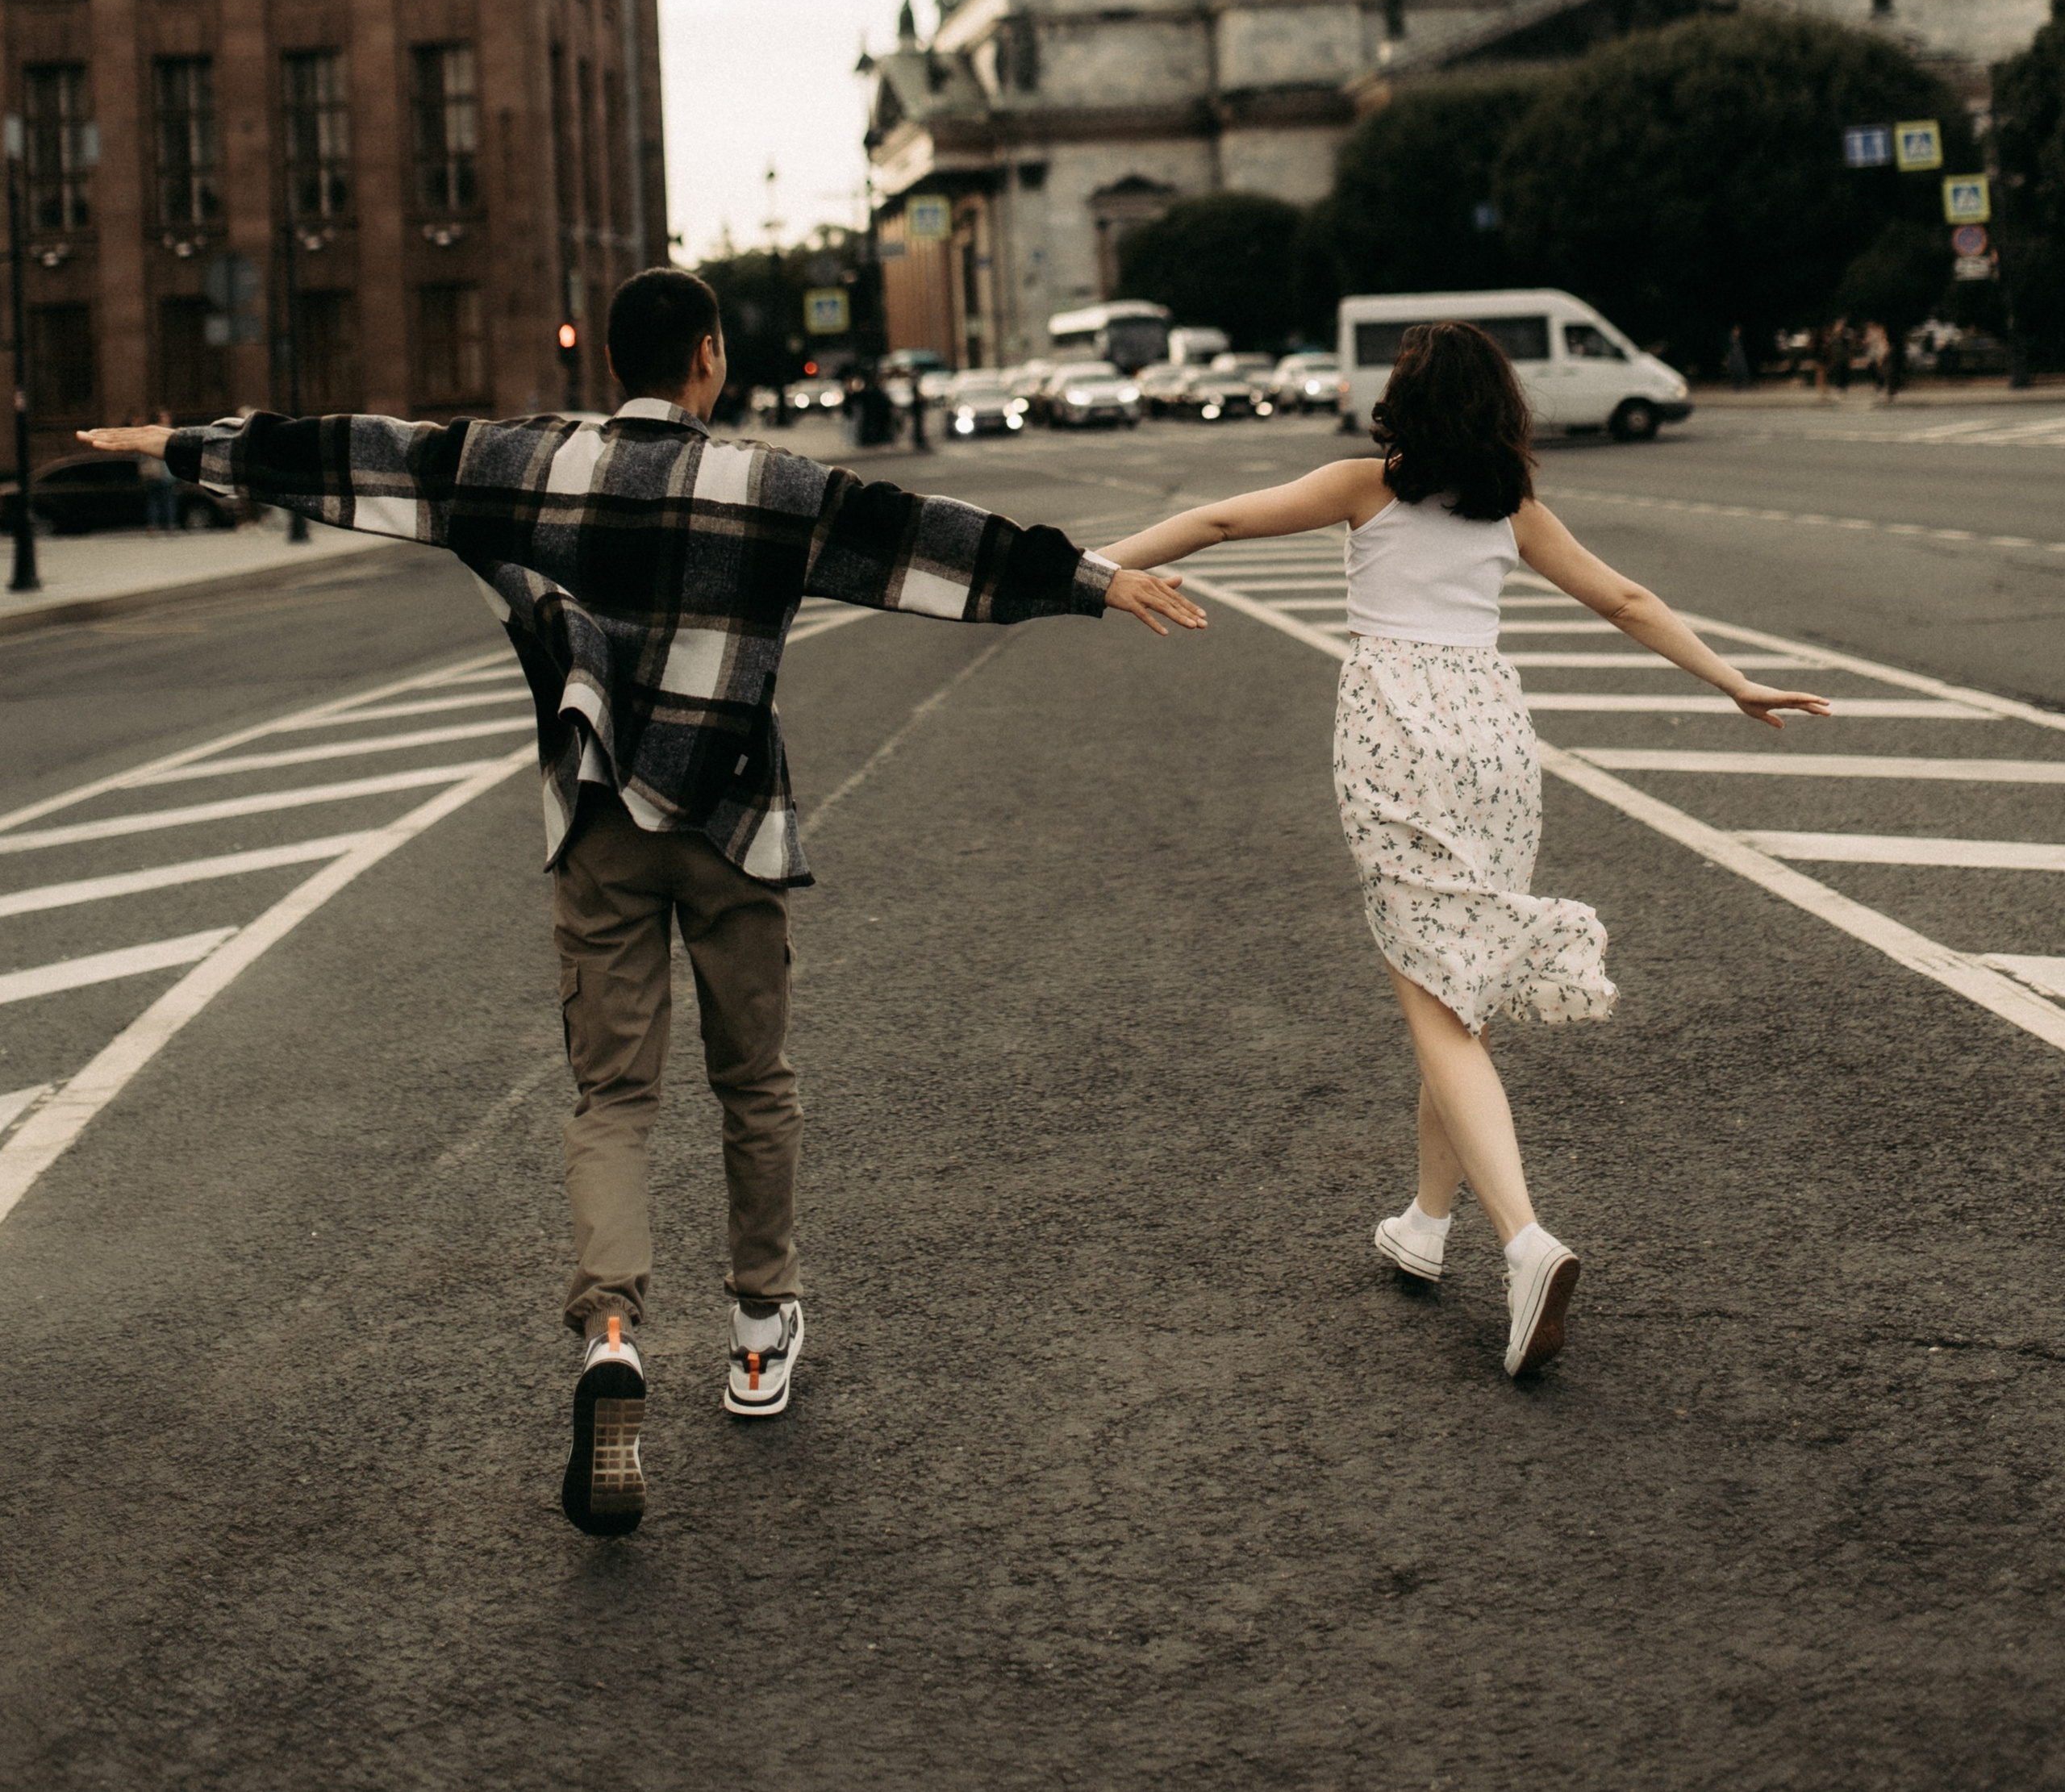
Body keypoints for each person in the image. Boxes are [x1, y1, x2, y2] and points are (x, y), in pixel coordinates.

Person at [80, 266, 1205, 1539]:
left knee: (612, 1097)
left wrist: (194, 447)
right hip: (730, 822)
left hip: (599, 822)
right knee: (755, 1084)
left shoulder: (527, 464)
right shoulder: (773, 488)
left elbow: (367, 459)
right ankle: (758, 1326)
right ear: (711, 359)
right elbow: (927, 544)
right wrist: (1091, 580)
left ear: (609, 361)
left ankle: (611, 1331)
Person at [1097, 322, 1830, 1382]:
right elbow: (1624, 599)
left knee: (1434, 999)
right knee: (1459, 987)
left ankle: (1526, 1245)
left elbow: (1216, 519)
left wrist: (1084, 566)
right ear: (1503, 411)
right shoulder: (1515, 508)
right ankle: (1426, 1224)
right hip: (1495, 741)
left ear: (1403, 403)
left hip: (1397, 734)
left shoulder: (1366, 486)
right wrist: (1733, 681)